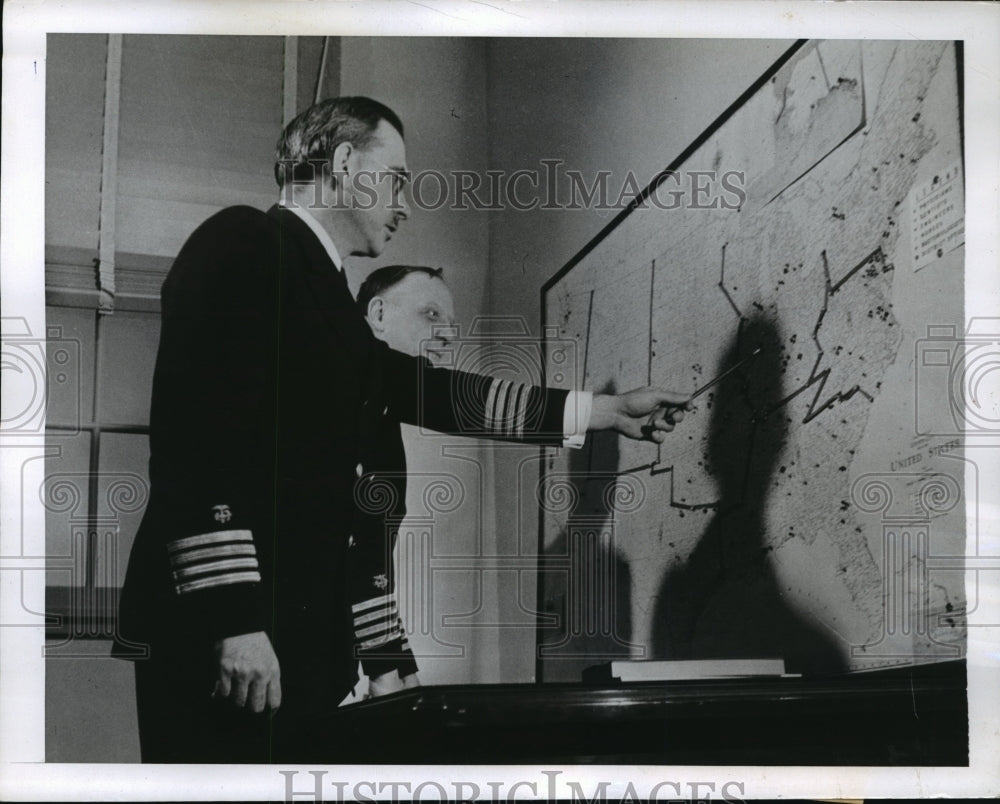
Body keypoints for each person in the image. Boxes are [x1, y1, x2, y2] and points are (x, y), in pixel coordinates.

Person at [113, 96, 691, 763]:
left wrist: (606, 411)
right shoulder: (246, 240)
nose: (405, 202)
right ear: (344, 163)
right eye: (396, 179)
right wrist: (234, 622)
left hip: (292, 646)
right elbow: (198, 440)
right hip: (235, 635)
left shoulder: (324, 296)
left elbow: (440, 397)